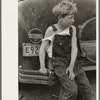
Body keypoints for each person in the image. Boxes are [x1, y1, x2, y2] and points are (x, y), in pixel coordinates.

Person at [39, 0, 94, 100]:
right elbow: (42, 48)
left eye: (73, 17)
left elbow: (74, 48)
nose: (73, 20)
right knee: (72, 91)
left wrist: (71, 67)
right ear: (60, 18)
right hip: (59, 62)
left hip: (73, 61)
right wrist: (42, 66)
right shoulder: (52, 30)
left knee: (87, 90)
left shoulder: (72, 28)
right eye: (70, 18)